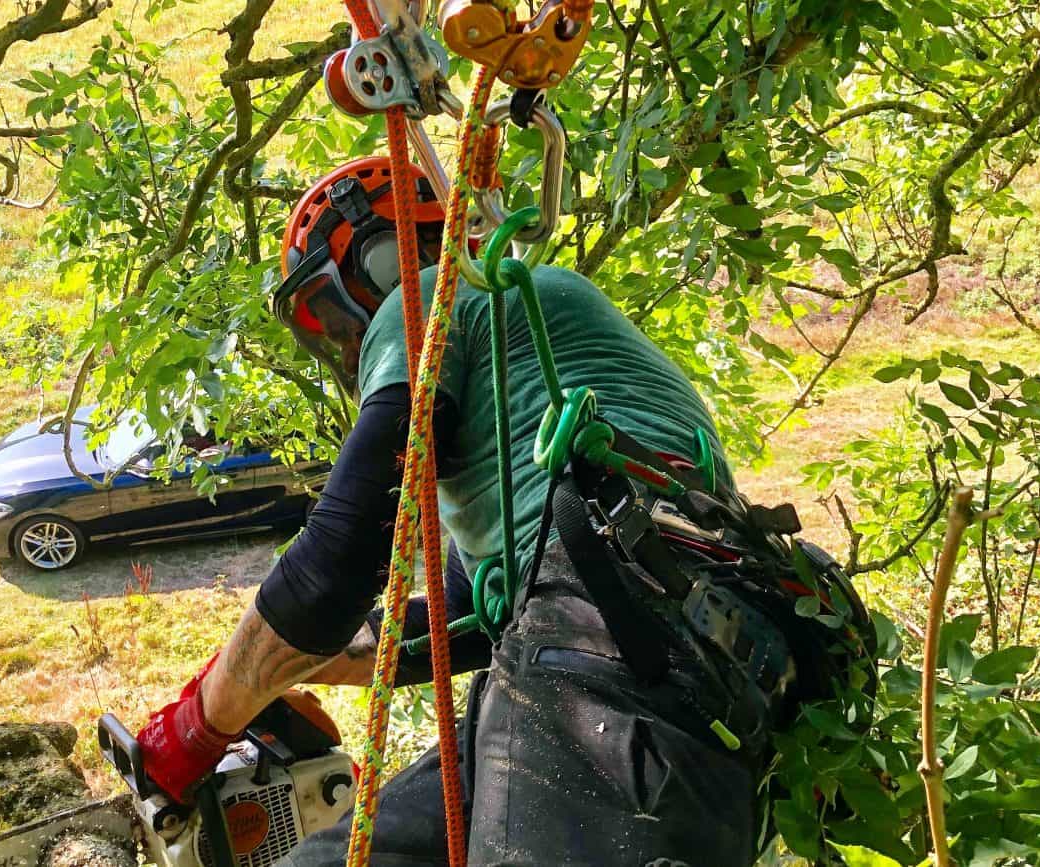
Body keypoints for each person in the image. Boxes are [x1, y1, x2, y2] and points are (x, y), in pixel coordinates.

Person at [134, 157, 802, 866]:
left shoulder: (429, 299)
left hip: (607, 656)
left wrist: (193, 728)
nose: (346, 343)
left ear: (377, 261)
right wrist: (275, 669)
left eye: (332, 317)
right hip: (669, 670)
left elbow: (335, 565)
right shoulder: (520, 382)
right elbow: (462, 619)